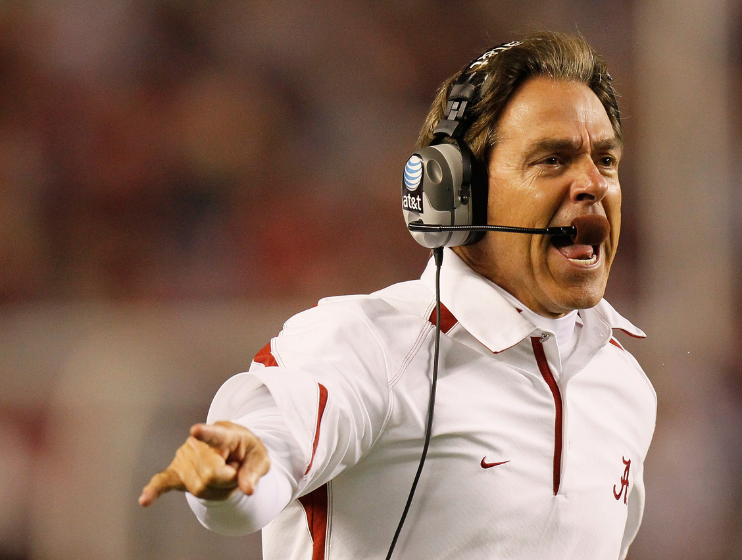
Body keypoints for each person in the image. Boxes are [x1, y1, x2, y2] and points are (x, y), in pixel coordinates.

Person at [139, 31, 656, 560]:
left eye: (607, 160)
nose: (595, 183)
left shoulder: (625, 387)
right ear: (458, 193)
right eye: (552, 159)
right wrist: (235, 473)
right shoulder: (370, 345)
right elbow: (261, 460)